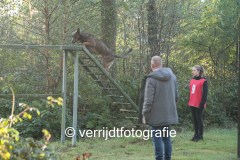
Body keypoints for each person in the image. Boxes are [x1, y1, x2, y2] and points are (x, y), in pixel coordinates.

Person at [142, 56, 178, 160]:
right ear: (161, 64)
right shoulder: (173, 77)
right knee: (167, 139)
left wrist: (145, 114)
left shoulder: (151, 79)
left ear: (152, 65)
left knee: (157, 138)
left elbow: (148, 100)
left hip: (155, 116)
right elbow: (176, 97)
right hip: (169, 114)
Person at [188, 65, 208, 142]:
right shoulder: (192, 80)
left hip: (199, 104)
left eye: (194, 70)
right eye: (192, 70)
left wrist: (202, 104)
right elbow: (190, 92)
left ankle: (200, 136)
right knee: (194, 120)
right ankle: (195, 134)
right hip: (192, 103)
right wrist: (189, 101)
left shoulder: (203, 81)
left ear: (198, 71)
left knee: (199, 120)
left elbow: (205, 94)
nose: (192, 71)